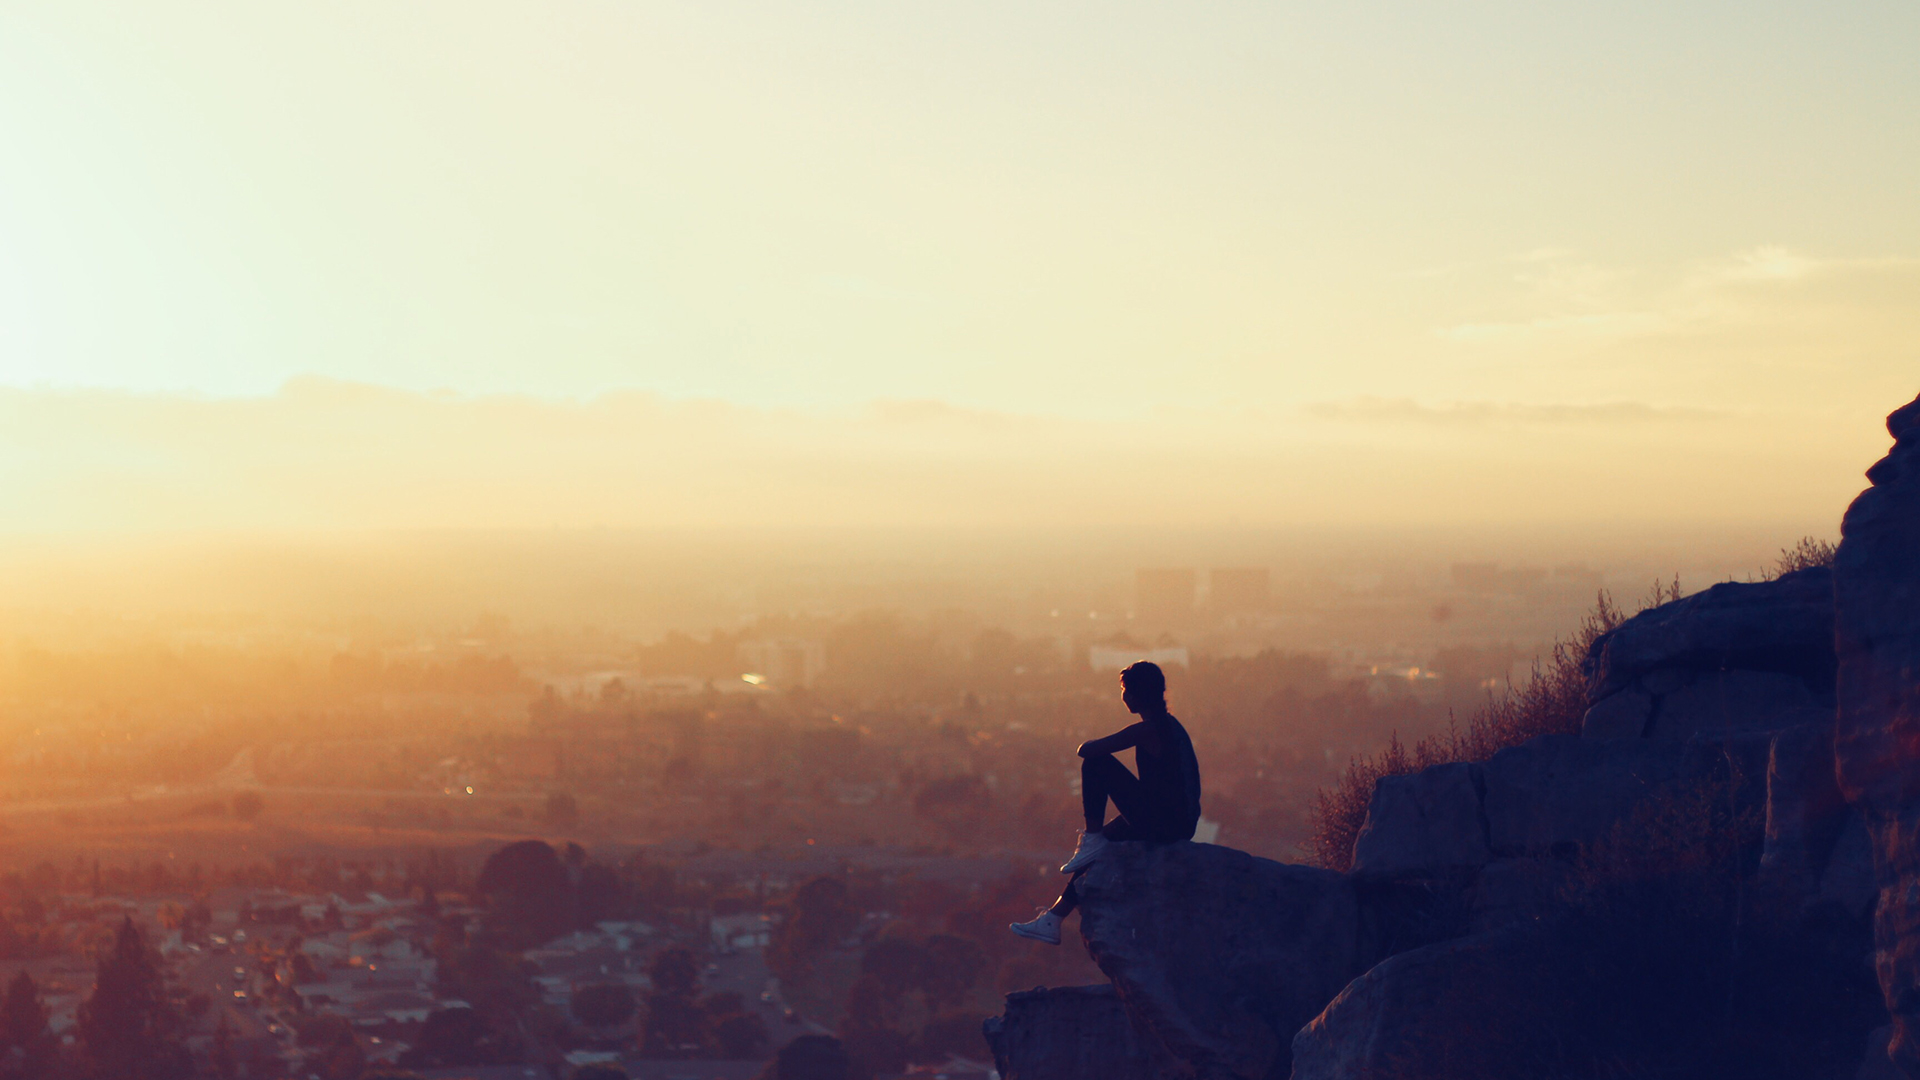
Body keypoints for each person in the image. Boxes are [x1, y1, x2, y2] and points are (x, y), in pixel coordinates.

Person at [1010, 661, 1202, 945]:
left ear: (1136, 695)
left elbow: (1086, 750)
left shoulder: (1149, 730)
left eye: (1124, 690)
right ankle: (1053, 918)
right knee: (1097, 852)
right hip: (1174, 820)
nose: (1123, 696)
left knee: (1095, 763)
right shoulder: (1169, 726)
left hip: (1164, 821)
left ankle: (1092, 836)